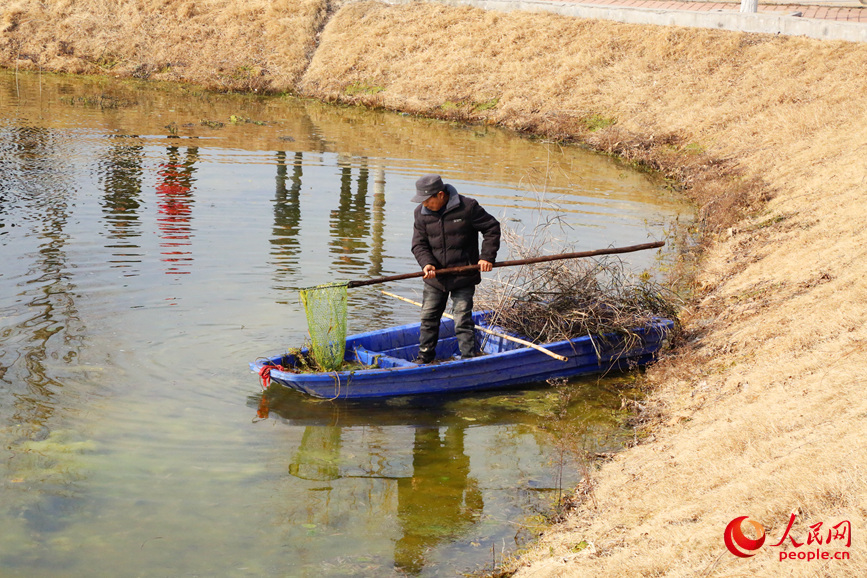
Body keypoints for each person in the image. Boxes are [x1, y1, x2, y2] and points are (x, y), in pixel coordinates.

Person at [411, 174, 500, 363]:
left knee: (462, 319)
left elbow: (491, 228)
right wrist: (427, 264)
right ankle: (424, 358)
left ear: (440, 195)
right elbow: (419, 245)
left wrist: (486, 257)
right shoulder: (421, 213)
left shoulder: (468, 207)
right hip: (435, 278)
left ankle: (468, 359)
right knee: (428, 318)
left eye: (427, 200)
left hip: (464, 275)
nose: (424, 204)